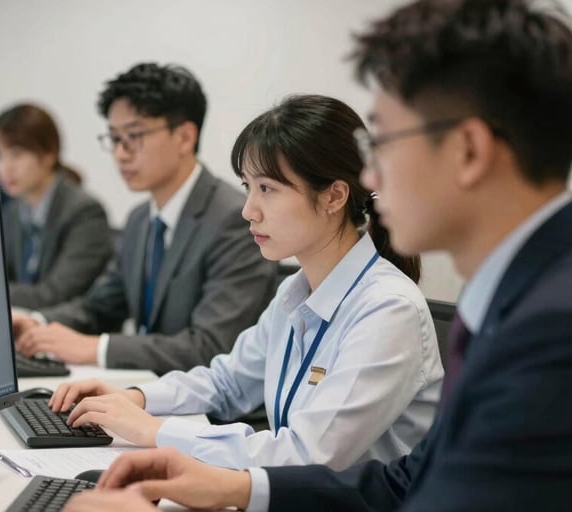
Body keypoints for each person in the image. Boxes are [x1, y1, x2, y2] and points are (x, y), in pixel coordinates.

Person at [64, 0, 572, 510]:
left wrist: (161, 435)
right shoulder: (502, 304)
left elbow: (319, 457)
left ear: (469, 151)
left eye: (385, 145)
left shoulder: (541, 331)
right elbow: (401, 481)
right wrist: (232, 483)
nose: (370, 179)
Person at [50, 94, 442, 470]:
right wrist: (135, 398)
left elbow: (309, 455)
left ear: (334, 196)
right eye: (247, 188)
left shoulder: (388, 310)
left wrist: (156, 431)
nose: (248, 210)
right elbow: (227, 382)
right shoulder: (296, 290)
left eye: (267, 189)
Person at [12, 63, 277, 374]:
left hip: (211, 414)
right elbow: (100, 306)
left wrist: (95, 348)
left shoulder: (233, 218)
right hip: (150, 394)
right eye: (114, 138)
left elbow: (212, 346)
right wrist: (37, 324)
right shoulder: (140, 219)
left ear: (184, 137)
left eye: (134, 136)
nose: (121, 154)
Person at [0, 103, 112, 310]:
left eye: (16, 154)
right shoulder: (13, 211)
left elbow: (54, 295)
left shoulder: (84, 212)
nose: (5, 168)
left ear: (48, 154)